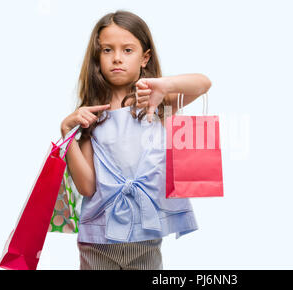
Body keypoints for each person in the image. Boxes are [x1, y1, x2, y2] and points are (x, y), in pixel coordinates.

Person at [60, 10, 212, 270]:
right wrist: (67, 132)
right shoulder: (92, 114)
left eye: (127, 50)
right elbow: (86, 187)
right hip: (98, 239)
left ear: (145, 58)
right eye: (107, 50)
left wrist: (164, 87)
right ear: (97, 57)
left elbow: (203, 83)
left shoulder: (155, 102)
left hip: (146, 236)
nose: (117, 58)